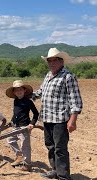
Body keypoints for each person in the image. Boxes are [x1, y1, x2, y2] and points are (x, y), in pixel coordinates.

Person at [33, 48, 83, 180]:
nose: (52, 63)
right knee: (50, 146)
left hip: (60, 119)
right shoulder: (48, 75)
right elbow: (41, 92)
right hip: (47, 118)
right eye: (50, 60)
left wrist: (73, 120)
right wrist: (27, 95)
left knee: (60, 149)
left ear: (61, 61)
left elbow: (75, 100)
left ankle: (63, 176)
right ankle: (55, 170)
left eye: (55, 60)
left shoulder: (68, 76)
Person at [6, 80, 39, 172]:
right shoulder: (15, 101)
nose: (18, 91)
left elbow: (36, 114)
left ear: (24, 90)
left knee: (25, 146)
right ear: (14, 92)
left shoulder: (28, 102)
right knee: (10, 139)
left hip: (24, 127)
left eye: (20, 89)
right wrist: (12, 121)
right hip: (16, 126)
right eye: (16, 90)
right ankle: (19, 156)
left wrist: (32, 123)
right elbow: (16, 113)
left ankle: (27, 165)